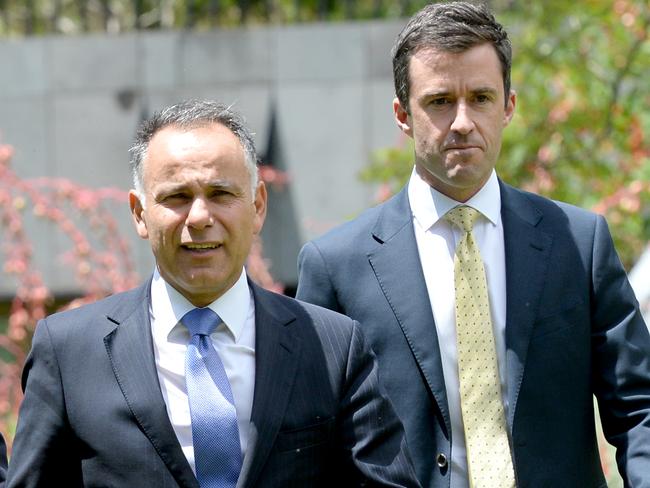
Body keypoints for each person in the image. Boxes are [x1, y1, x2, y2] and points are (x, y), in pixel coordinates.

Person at [296, 2, 650, 488]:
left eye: (481, 98)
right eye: (439, 101)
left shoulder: (580, 244)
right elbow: (311, 446)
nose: (462, 121)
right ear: (402, 115)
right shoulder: (336, 267)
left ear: (508, 106)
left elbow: (640, 407)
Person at [6, 99, 419, 488]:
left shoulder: (334, 348)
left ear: (258, 206)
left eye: (221, 194)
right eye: (176, 197)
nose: (200, 217)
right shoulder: (68, 354)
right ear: (139, 213)